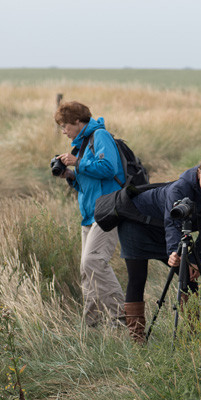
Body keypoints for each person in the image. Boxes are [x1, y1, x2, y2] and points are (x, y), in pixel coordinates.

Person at [118, 155, 201, 343]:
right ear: (198, 172)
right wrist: (173, 252)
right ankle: (137, 339)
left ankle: (193, 332)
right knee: (137, 278)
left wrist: (195, 258)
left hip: (166, 228)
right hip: (137, 223)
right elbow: (172, 224)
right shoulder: (180, 188)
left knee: (190, 276)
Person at [53, 101, 126, 327]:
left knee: (93, 261)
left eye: (65, 126)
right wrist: (71, 175)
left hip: (107, 210)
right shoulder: (84, 142)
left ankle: (124, 322)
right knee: (87, 270)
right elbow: (89, 183)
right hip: (90, 213)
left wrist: (78, 162)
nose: (64, 131)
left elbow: (108, 168)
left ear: (77, 121)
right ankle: (92, 327)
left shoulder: (100, 136)